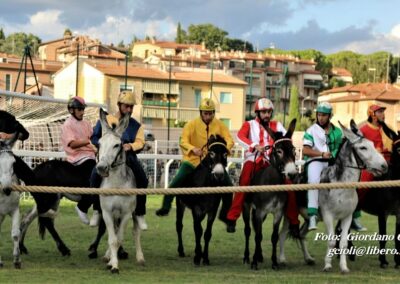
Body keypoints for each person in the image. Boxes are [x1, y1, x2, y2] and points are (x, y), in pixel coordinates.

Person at [155, 98, 234, 228]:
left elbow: (229, 140)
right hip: (191, 161)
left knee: (229, 186)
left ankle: (224, 214)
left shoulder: (220, 125)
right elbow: (183, 141)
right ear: (201, 112)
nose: (208, 116)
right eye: (205, 113)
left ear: (214, 113)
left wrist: (225, 149)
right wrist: (193, 149)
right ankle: (166, 206)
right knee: (176, 181)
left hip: (212, 163)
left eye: (210, 113)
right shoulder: (191, 125)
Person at [225, 98, 299, 234]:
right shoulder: (249, 124)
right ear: (257, 112)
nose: (267, 115)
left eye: (269, 112)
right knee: (245, 180)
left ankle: (294, 222)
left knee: (290, 184)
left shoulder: (277, 125)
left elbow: (286, 140)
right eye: (264, 112)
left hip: (274, 162)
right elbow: (240, 137)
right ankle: (232, 217)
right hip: (254, 160)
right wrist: (254, 146)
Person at [90, 90, 149, 230]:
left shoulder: (137, 125)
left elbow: (141, 142)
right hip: (107, 156)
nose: (129, 109)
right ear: (119, 105)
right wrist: (102, 144)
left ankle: (140, 213)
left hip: (128, 158)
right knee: (94, 177)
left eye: (131, 107)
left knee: (143, 179)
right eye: (126, 106)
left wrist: (131, 145)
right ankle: (97, 210)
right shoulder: (106, 120)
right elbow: (94, 137)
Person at [302, 102, 343, 230]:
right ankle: (312, 216)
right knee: (314, 181)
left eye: (324, 115)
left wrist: (333, 154)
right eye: (319, 115)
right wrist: (321, 154)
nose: (321, 118)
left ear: (330, 116)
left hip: (333, 162)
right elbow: (305, 150)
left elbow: (339, 148)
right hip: (315, 161)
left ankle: (353, 215)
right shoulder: (311, 130)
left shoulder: (338, 132)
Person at [60, 97, 99, 226]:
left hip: (90, 156)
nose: (82, 112)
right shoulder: (67, 124)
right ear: (71, 110)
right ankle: (82, 207)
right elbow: (72, 144)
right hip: (77, 158)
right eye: (80, 109)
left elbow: (93, 137)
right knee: (96, 176)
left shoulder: (87, 123)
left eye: (83, 109)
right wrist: (89, 141)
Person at [355, 104, 392, 231]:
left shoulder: (388, 129)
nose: (383, 114)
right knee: (365, 180)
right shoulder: (363, 130)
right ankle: (355, 209)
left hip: (389, 163)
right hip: (370, 166)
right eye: (380, 112)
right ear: (373, 115)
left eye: (383, 111)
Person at [0, 110, 36, 187]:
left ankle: (42, 197)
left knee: (31, 177)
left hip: (7, 155)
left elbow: (25, 135)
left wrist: (10, 135)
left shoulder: (8, 118)